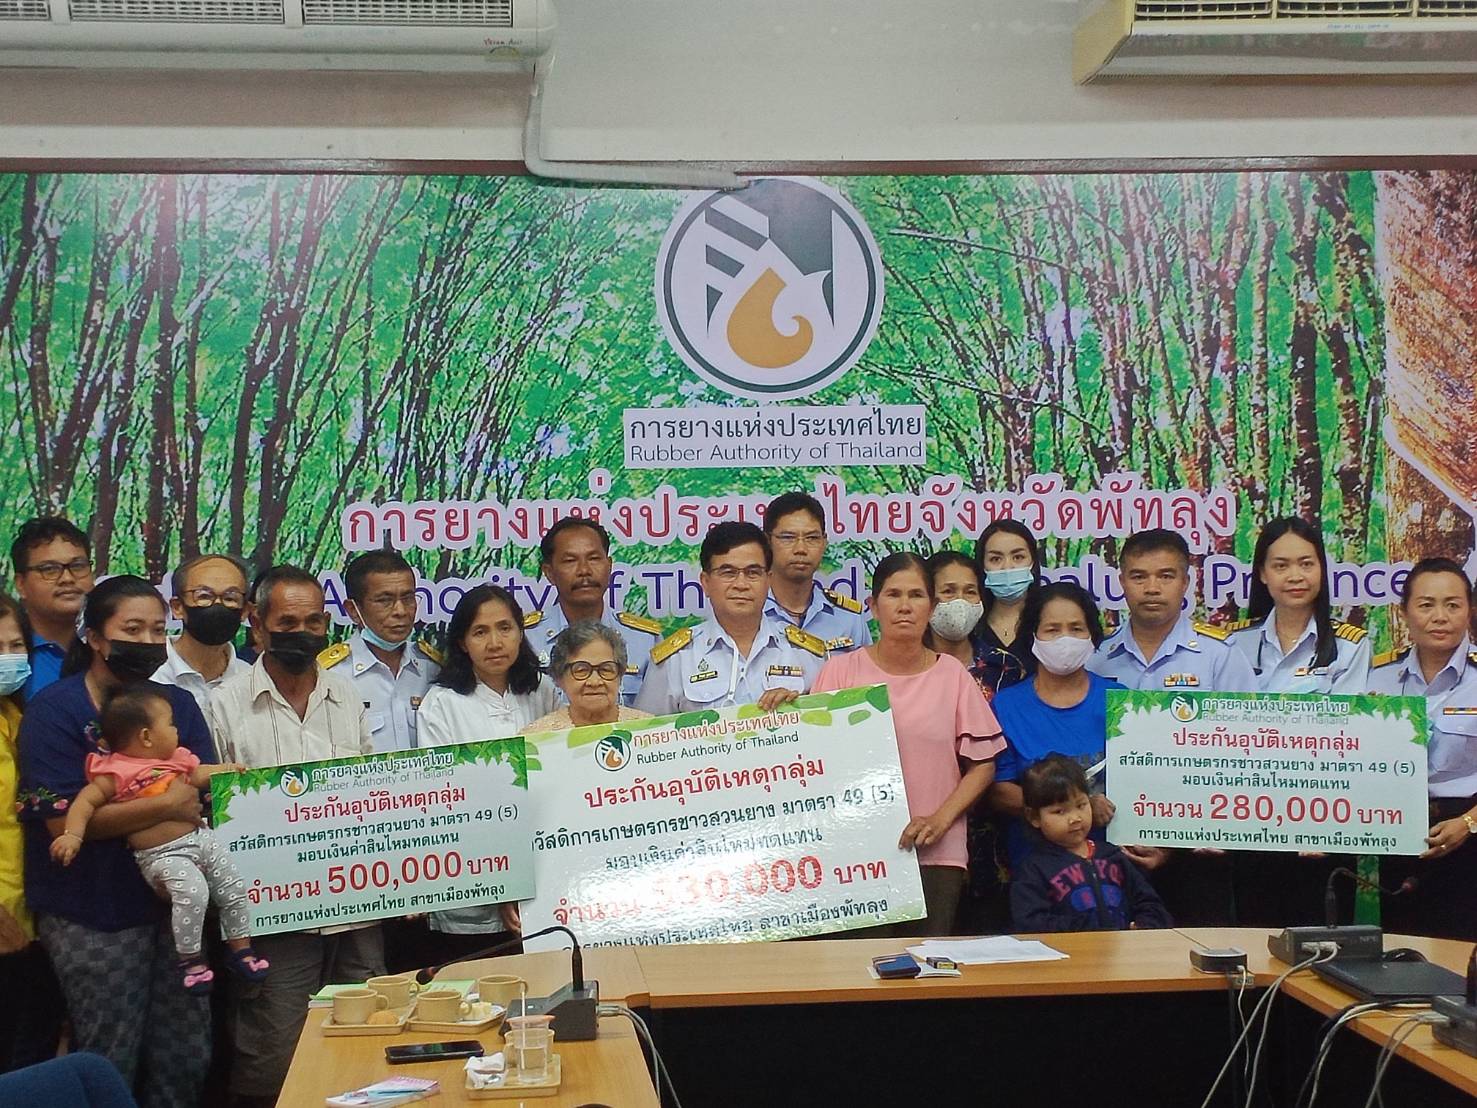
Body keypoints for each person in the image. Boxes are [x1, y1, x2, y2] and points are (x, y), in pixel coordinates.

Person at [16, 575, 216, 1108]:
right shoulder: (54, 710)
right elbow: (62, 825)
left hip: (177, 905)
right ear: (95, 637)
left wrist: (141, 809)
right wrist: (164, 805)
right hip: (91, 911)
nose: (147, 641)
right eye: (132, 629)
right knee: (109, 1053)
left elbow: (201, 800)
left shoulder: (179, 705)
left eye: (157, 630)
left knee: (185, 1051)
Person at [208, 565, 377, 1108]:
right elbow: (208, 812)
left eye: (312, 623)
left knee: (366, 1043)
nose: (301, 634)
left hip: (359, 908)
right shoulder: (223, 705)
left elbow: (376, 794)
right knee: (274, 1057)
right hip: (273, 918)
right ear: (256, 625)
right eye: (287, 623)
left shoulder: (347, 696)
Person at [811, 553, 1006, 936]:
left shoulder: (952, 675)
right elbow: (814, 757)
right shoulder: (840, 672)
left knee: (927, 964)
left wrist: (940, 819)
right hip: (856, 854)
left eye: (916, 595)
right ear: (873, 606)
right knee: (857, 965)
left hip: (935, 852)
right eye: (893, 594)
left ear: (931, 607)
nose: (904, 606)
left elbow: (983, 765)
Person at [49, 685, 266, 993]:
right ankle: (191, 961)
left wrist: (229, 770)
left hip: (201, 840)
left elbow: (200, 774)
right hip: (163, 855)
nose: (177, 730)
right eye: (171, 724)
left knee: (233, 886)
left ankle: (242, 950)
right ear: (147, 737)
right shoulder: (115, 772)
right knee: (193, 893)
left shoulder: (177, 760)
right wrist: (73, 836)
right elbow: (84, 803)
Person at [1088, 528, 1255, 926]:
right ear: (1120, 581)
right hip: (1114, 841)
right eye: (1139, 576)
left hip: (1199, 845)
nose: (1152, 588)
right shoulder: (1097, 657)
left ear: (1186, 581)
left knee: (1202, 954)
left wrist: (1177, 840)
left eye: (1166, 575)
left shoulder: (1218, 655)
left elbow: (1243, 752)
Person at [1226, 517, 1371, 927]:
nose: (1295, 576)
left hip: (1324, 823)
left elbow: (1348, 740)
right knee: (1256, 938)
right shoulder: (1234, 642)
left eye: (1307, 564)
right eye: (1281, 565)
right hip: (1248, 817)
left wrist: (1318, 824)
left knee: (1325, 941)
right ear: (1262, 574)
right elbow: (1221, 737)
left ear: (1322, 569)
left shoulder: (1350, 646)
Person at [417, 584, 557, 949]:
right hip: (473, 878)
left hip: (546, 868)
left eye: (505, 628)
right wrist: (503, 882)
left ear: (521, 632)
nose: (495, 643)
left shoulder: (543, 690)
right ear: (463, 643)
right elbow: (445, 801)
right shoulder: (442, 703)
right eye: (480, 632)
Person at [1369, 558, 1477, 941]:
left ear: (1469, 611)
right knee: (1401, 951)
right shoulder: (1377, 677)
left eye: (1453, 605)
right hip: (1398, 835)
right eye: (1426, 605)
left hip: (1467, 836)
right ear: (1404, 612)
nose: (1440, 617)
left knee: (1462, 958)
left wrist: (1469, 823)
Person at [989, 582, 1124, 872]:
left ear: (1092, 635)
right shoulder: (1006, 706)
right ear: (1032, 635)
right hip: (1038, 872)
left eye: (1076, 628)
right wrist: (1078, 806)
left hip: (1112, 868)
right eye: (1052, 629)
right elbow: (999, 790)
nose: (1065, 639)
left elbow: (1144, 781)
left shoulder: (1120, 701)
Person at [636, 522, 826, 717]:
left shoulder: (806, 654)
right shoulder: (676, 659)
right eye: (728, 573)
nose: (741, 584)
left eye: (753, 573)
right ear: (706, 582)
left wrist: (796, 710)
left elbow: (829, 724)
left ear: (768, 580)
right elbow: (647, 731)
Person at [0, 593, 64, 1074]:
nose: (8, 657)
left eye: (16, 645)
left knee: (31, 1060)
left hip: (32, 913)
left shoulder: (20, 717)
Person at [1009, 755, 1171, 933]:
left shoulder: (1113, 856)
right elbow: (1031, 923)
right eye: (1060, 811)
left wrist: (1145, 925)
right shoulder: (1034, 869)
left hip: (1124, 947)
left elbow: (1149, 902)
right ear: (1034, 817)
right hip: (1070, 949)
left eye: (1081, 805)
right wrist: (1091, 930)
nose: (1075, 818)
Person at [524, 518, 662, 707]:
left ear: (609, 566)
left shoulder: (645, 639)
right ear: (549, 572)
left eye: (594, 558)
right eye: (570, 561)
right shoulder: (525, 639)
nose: (584, 570)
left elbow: (658, 718)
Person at [327, 550, 441, 753]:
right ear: (353, 610)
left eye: (408, 598)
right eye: (384, 601)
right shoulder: (331, 677)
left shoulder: (433, 669)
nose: (400, 611)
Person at [762, 492, 872, 654]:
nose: (801, 549)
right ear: (767, 542)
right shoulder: (749, 612)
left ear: (824, 542)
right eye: (788, 538)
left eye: (812, 538)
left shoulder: (849, 618)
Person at [152, 553, 253, 720]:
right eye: (204, 596)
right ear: (177, 607)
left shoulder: (252, 682)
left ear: (244, 612)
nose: (218, 604)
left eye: (230, 598)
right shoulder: (152, 674)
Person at [11, 517, 95, 698]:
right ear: (21, 584)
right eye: (49, 569)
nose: (67, 578)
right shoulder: (10, 654)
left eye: (78, 566)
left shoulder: (107, 645)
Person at [526, 620, 654, 733]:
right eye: (581, 670)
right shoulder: (533, 738)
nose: (594, 682)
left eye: (606, 669)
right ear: (559, 678)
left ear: (620, 674)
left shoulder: (651, 731)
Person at [969, 520, 1041, 699]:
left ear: (1033, 562)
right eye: (996, 559)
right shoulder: (970, 626)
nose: (1007, 567)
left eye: (1018, 557)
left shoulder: (1049, 622)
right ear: (982, 565)